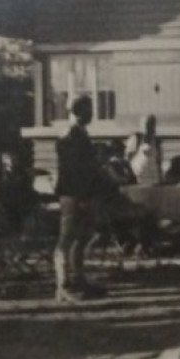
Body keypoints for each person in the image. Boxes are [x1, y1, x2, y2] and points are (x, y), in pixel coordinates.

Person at [53, 94, 108, 302]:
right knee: (67, 238)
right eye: (89, 111)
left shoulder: (80, 133)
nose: (92, 114)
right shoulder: (69, 135)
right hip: (72, 194)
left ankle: (78, 279)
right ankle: (63, 285)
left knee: (82, 237)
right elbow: (74, 169)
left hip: (84, 194)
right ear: (79, 112)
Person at [130, 115, 163, 185]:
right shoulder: (136, 138)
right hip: (138, 177)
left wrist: (160, 178)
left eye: (150, 125)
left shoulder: (157, 142)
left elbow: (159, 161)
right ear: (141, 126)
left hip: (153, 178)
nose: (148, 128)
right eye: (146, 125)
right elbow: (128, 158)